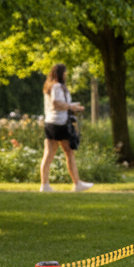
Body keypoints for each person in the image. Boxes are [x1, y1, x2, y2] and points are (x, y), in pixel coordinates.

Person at [39, 63, 92, 193]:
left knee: (50, 154)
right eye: (65, 73)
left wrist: (73, 106)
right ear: (60, 74)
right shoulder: (57, 86)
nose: (66, 75)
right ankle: (77, 183)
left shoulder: (50, 86)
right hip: (59, 124)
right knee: (68, 152)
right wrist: (71, 107)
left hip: (50, 122)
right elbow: (56, 104)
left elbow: (57, 104)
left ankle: (45, 185)